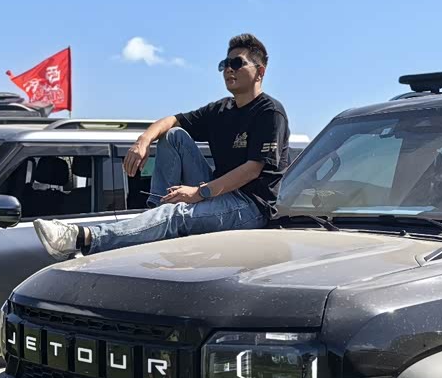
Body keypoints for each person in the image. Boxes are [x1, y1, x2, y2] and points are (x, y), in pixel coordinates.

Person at [34, 33, 290, 258]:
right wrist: (142, 142)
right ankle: (156, 213)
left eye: (237, 63)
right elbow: (171, 120)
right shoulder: (221, 109)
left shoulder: (269, 112)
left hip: (250, 205)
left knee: (176, 214)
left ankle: (83, 238)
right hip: (218, 192)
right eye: (224, 64)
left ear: (260, 72)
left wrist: (199, 192)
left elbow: (252, 170)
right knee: (173, 134)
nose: (228, 70)